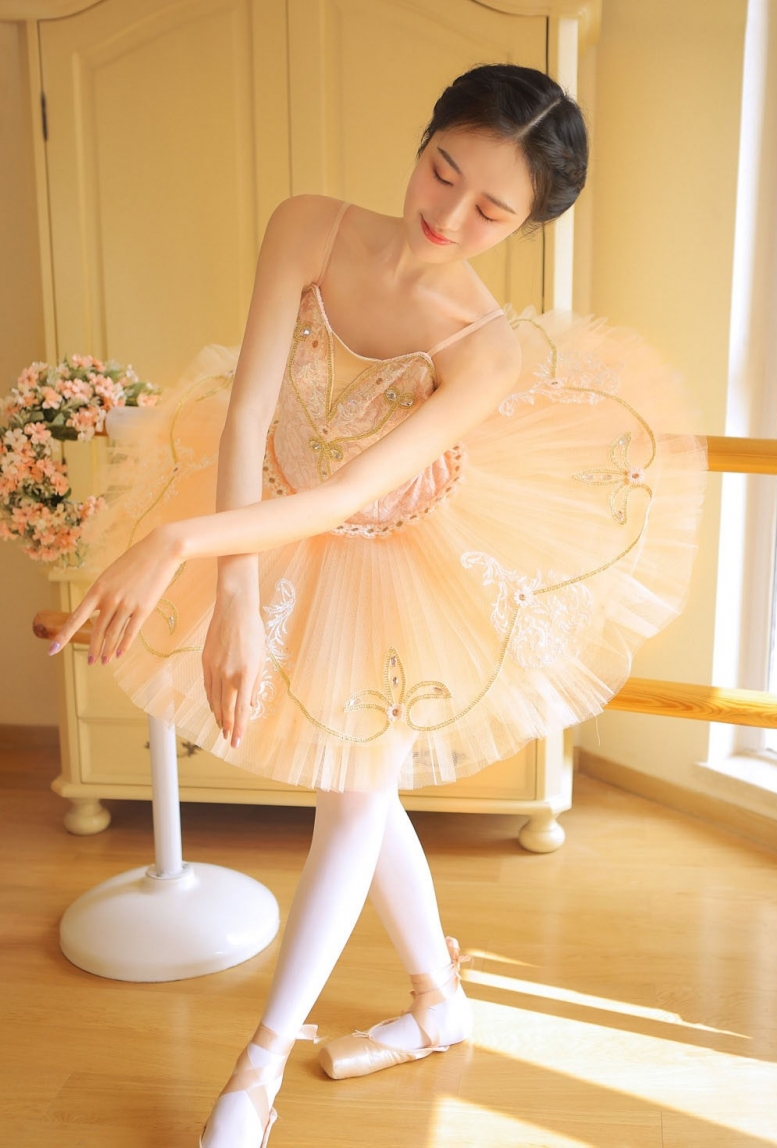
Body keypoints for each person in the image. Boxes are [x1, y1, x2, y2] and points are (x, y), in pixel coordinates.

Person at [48, 64, 705, 1148]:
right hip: (261, 511)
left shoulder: (483, 349)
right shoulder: (307, 225)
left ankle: (256, 1071)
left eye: (491, 210)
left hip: (395, 556)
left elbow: (348, 495)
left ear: (528, 223)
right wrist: (234, 596)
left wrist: (178, 544)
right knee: (363, 784)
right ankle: (437, 1001)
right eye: (442, 171)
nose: (448, 215)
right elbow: (248, 412)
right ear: (424, 138)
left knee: (353, 794)